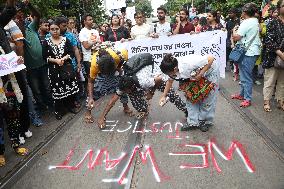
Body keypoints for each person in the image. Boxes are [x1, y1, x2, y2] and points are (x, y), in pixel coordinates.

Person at [0, 0, 29, 167]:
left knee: (12, 114)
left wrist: (15, 59)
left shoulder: (1, 22)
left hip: (8, 79)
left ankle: (16, 143)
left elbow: (10, 9)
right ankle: (1, 152)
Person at [159, 54, 218, 132]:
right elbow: (169, 81)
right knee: (190, 96)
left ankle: (204, 121)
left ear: (175, 69)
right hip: (194, 76)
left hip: (209, 71)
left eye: (169, 73)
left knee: (207, 98)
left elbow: (211, 58)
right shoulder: (171, 69)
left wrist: (201, 74)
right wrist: (163, 96)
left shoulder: (189, 63)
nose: (169, 75)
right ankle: (193, 122)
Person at [85, 48, 132, 126]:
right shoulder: (94, 65)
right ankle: (88, 110)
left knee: (121, 88)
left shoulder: (118, 56)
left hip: (114, 70)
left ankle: (125, 106)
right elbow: (90, 82)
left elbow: (124, 58)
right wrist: (90, 97)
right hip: (101, 73)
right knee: (96, 91)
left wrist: (118, 68)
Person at [42, 21, 79, 120]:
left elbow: (71, 53)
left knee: (69, 88)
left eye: (56, 29)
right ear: (49, 30)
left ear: (60, 29)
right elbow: (44, 56)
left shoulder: (66, 40)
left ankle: (70, 107)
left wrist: (63, 59)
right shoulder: (46, 42)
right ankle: (59, 111)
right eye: (52, 29)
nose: (55, 31)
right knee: (57, 91)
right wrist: (56, 60)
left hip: (66, 68)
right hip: (54, 70)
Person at [24, 1, 53, 113]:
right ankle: (42, 108)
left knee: (47, 87)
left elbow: (38, 15)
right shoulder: (13, 34)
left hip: (42, 65)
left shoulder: (30, 28)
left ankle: (51, 106)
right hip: (30, 69)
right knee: (36, 90)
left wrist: (29, 5)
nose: (21, 20)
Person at [232, 3, 261, 108]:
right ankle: (242, 94)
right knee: (244, 74)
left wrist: (234, 31)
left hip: (247, 53)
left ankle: (247, 99)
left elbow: (236, 37)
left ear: (244, 12)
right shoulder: (255, 21)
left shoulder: (246, 22)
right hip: (252, 51)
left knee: (246, 76)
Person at [262, 2, 284, 112]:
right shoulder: (272, 22)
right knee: (270, 80)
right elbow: (268, 41)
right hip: (272, 57)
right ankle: (266, 101)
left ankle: (281, 101)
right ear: (279, 8)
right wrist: (280, 53)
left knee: (282, 82)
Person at [79, 14, 100, 79]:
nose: (92, 21)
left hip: (98, 57)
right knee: (91, 79)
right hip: (88, 59)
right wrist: (95, 42)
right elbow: (86, 46)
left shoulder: (95, 31)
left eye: (92, 19)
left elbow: (99, 43)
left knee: (99, 77)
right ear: (84, 21)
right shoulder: (82, 32)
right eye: (89, 20)